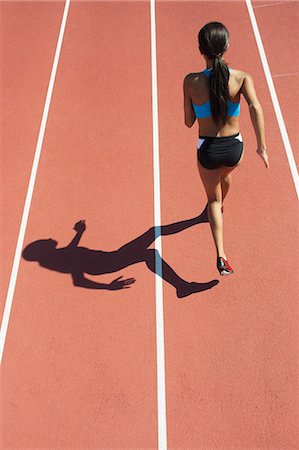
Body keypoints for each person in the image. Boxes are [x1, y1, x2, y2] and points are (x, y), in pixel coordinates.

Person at [183, 21, 269, 276]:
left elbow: (188, 122)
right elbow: (256, 108)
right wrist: (262, 147)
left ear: (201, 50)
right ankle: (218, 207)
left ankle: (221, 255)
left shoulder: (191, 81)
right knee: (225, 175)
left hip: (208, 150)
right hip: (234, 150)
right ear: (227, 47)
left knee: (212, 198)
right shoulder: (242, 78)